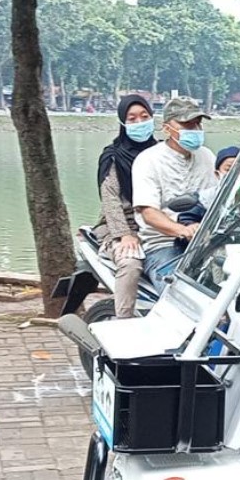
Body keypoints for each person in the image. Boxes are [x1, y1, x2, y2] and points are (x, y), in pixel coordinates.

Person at [130, 97, 219, 292]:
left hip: (205, 242)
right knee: (181, 295)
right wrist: (181, 230)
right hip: (164, 244)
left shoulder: (207, 156)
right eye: (186, 124)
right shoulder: (148, 160)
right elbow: (149, 213)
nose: (194, 129)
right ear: (167, 128)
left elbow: (218, 198)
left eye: (197, 124)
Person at [93, 94, 158, 318]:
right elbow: (110, 199)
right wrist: (124, 235)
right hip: (122, 227)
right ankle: (124, 323)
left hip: (157, 225)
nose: (140, 122)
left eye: (144, 116)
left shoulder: (160, 154)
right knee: (130, 264)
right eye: (132, 119)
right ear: (122, 122)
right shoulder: (113, 157)